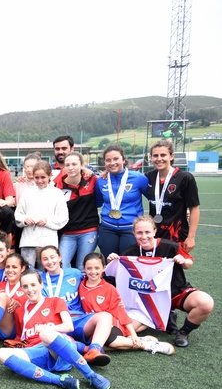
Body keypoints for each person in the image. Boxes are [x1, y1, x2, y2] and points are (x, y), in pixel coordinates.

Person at [0, 270, 111, 389]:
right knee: (1, 353)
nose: (29, 289)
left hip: (57, 348)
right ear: (22, 288)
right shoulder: (20, 311)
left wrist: (47, 329)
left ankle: (91, 375)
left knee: (46, 334)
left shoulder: (55, 301)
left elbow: (69, 326)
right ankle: (60, 380)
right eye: (25, 286)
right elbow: (20, 336)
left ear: (41, 285)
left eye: (33, 285)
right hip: (37, 351)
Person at [107, 215, 214, 348]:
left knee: (205, 303)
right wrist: (112, 261)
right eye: (139, 232)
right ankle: (164, 316)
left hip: (174, 292)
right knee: (125, 329)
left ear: (154, 231)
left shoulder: (170, 246)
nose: (144, 236)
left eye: (147, 232)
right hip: (147, 300)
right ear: (134, 233)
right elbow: (111, 274)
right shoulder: (129, 253)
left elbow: (189, 263)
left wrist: (183, 261)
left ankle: (183, 332)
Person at [80, 253, 175, 355]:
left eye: (97, 268)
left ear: (103, 268)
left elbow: (120, 311)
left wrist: (133, 334)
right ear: (84, 269)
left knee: (111, 341)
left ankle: (146, 345)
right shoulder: (80, 284)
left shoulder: (109, 289)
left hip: (110, 324)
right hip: (90, 324)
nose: (93, 271)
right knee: (94, 344)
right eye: (89, 268)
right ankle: (138, 339)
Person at [145, 139, 200, 252]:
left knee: (175, 266)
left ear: (171, 156)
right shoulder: (148, 177)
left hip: (176, 233)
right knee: (154, 266)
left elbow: (194, 208)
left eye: (163, 155)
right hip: (153, 233)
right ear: (151, 158)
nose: (159, 159)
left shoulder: (185, 178)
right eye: (155, 155)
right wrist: (107, 173)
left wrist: (191, 237)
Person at [94, 144, 149, 258]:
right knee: (109, 263)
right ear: (104, 163)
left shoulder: (138, 178)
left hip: (131, 228)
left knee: (128, 263)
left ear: (124, 160)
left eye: (116, 159)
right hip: (107, 228)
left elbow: (153, 199)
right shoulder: (101, 181)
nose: (112, 162)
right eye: (108, 160)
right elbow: (97, 202)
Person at [14, 161, 68, 269]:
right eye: (36, 177)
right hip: (28, 240)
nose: (40, 181)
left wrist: (47, 222)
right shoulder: (27, 193)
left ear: (49, 176)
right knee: (28, 270)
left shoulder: (57, 194)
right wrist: (25, 220)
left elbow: (63, 217)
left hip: (48, 241)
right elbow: (18, 214)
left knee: (46, 270)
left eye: (43, 177)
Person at [54, 152, 99, 271]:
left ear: (81, 165)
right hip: (68, 233)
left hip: (88, 231)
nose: (71, 167)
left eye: (74, 164)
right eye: (67, 165)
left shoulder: (92, 179)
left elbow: (104, 179)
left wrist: (88, 170)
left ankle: (82, 290)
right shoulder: (58, 185)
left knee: (82, 266)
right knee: (61, 265)